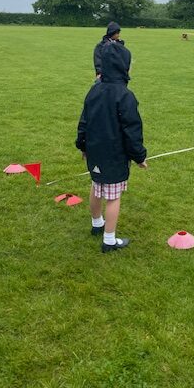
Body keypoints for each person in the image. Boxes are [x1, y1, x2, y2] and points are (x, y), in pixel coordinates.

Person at [76, 42, 147, 252]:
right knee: (113, 196)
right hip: (114, 155)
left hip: (95, 152)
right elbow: (132, 131)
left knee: (97, 185)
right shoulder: (125, 96)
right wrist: (139, 156)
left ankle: (97, 223)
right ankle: (109, 239)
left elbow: (83, 122)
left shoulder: (94, 90)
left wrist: (83, 146)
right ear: (122, 66)